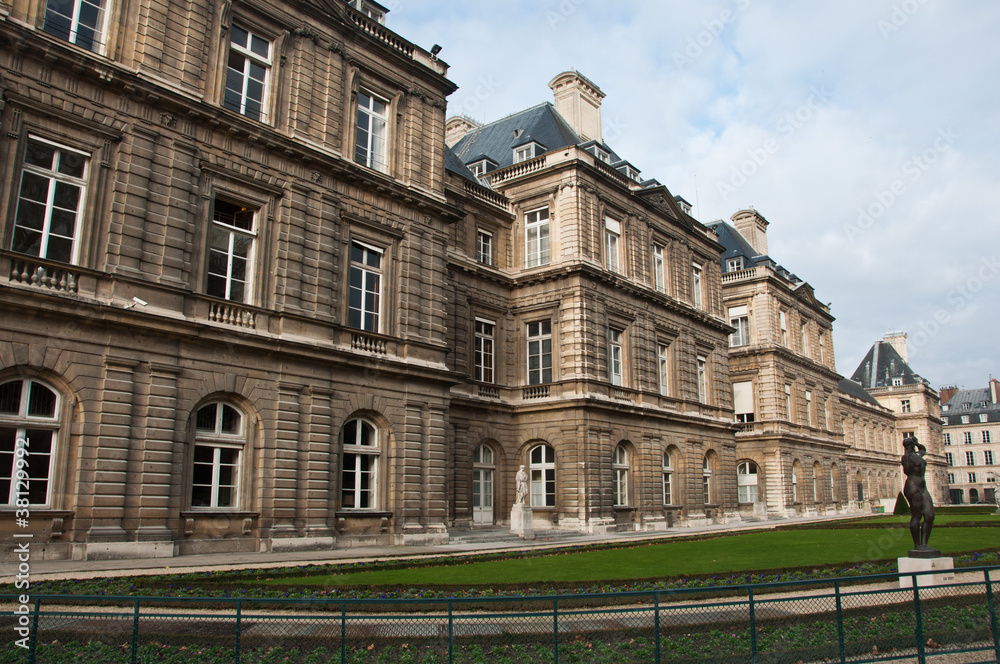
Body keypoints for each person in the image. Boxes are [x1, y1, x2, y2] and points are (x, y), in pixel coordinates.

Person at [901, 435, 935, 550]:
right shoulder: (906, 457)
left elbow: (923, 450)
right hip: (912, 485)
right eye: (907, 446)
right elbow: (906, 471)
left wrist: (917, 443)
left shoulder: (918, 455)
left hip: (923, 486)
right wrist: (907, 455)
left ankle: (924, 544)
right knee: (917, 515)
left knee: (930, 515)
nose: (908, 447)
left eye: (909, 445)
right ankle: (917, 545)